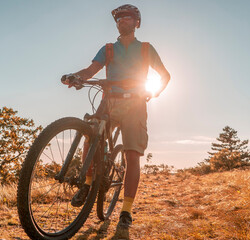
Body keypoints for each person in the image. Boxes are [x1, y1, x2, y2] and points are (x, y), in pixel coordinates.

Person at [61, 4, 171, 229]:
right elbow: (91, 70)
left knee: (132, 155)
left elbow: (165, 75)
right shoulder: (109, 48)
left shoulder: (146, 49)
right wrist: (75, 76)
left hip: (136, 104)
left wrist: (153, 92)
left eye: (127, 18)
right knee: (90, 133)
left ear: (136, 23)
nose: (122, 21)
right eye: (119, 19)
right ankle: (87, 184)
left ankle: (126, 211)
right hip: (109, 101)